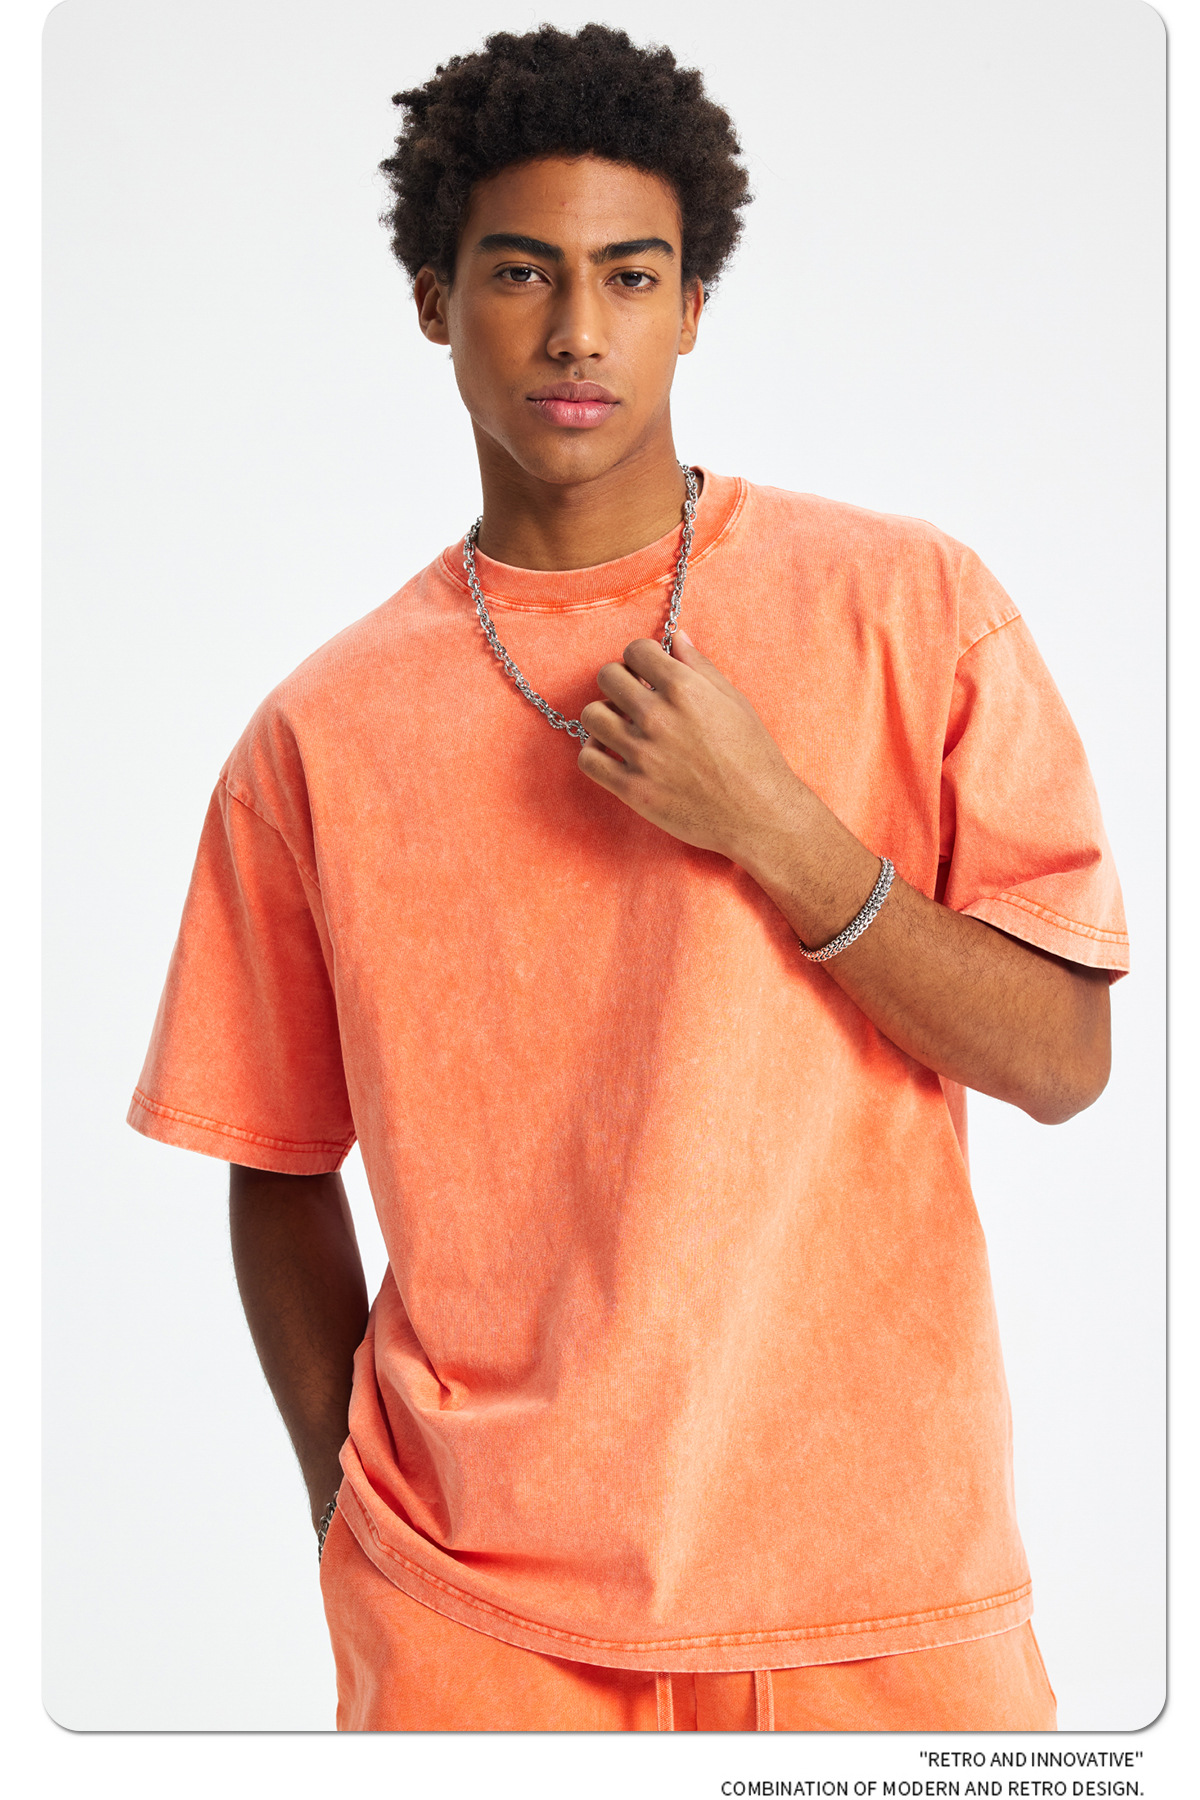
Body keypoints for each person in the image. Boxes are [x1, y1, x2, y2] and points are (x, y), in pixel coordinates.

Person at [128, 23, 1128, 1733]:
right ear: (435, 300)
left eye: (631, 274)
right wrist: (340, 1509)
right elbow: (273, 1157)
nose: (578, 328)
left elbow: (1063, 1060)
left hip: (879, 1592)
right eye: (522, 271)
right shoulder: (319, 734)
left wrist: (781, 829)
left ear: (694, 306)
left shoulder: (912, 607)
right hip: (473, 1622)